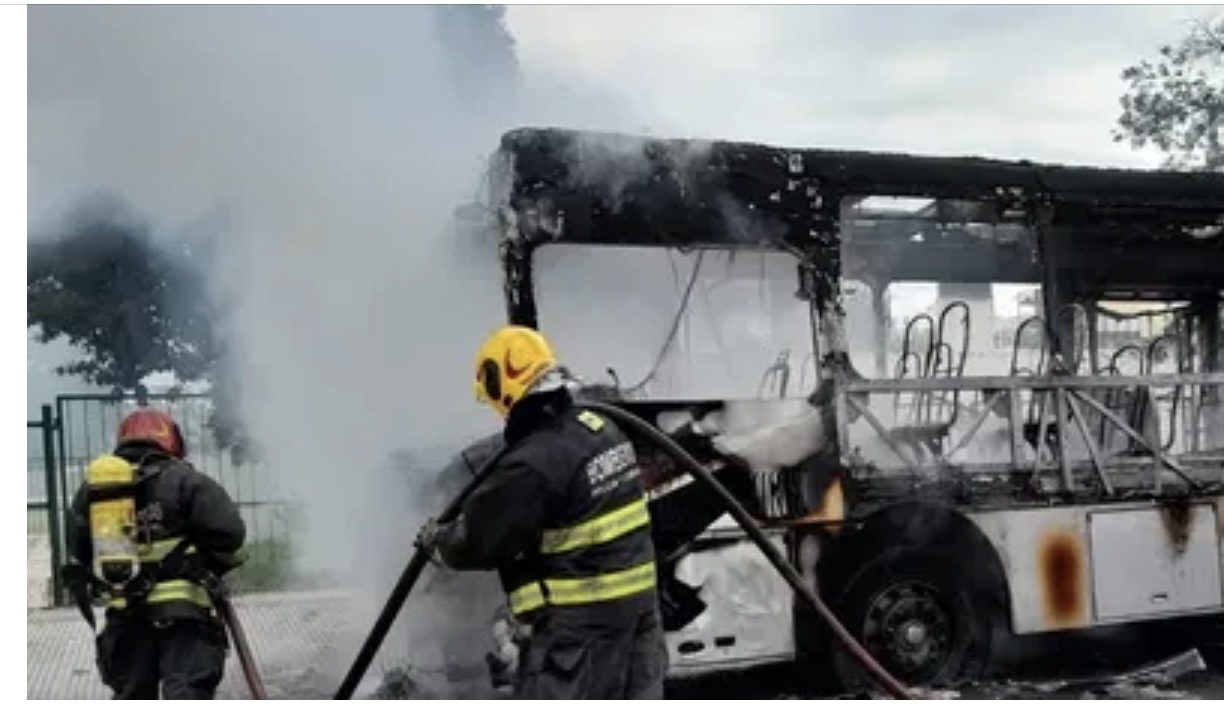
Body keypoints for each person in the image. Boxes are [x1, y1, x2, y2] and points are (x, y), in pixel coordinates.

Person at [418, 325, 669, 700]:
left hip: (581, 636)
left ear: (504, 387)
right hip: (638, 621)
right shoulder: (602, 430)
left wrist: (439, 542)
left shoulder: (534, 463)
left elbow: (481, 539)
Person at [63, 408, 248, 700]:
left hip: (126, 615)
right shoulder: (187, 480)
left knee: (133, 696)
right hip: (185, 617)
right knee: (186, 695)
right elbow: (230, 533)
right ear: (171, 440)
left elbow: (77, 546)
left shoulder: (96, 490)